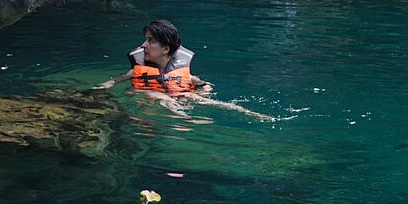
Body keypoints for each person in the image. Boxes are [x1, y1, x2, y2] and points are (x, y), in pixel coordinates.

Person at [92, 20, 274, 121]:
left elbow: (203, 84)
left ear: (166, 49)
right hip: (157, 98)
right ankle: (183, 117)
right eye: (145, 40)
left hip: (181, 96)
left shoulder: (183, 73)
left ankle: (250, 113)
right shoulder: (137, 72)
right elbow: (113, 82)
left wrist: (206, 90)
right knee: (155, 96)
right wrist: (98, 88)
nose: (143, 46)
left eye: (150, 41)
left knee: (206, 101)